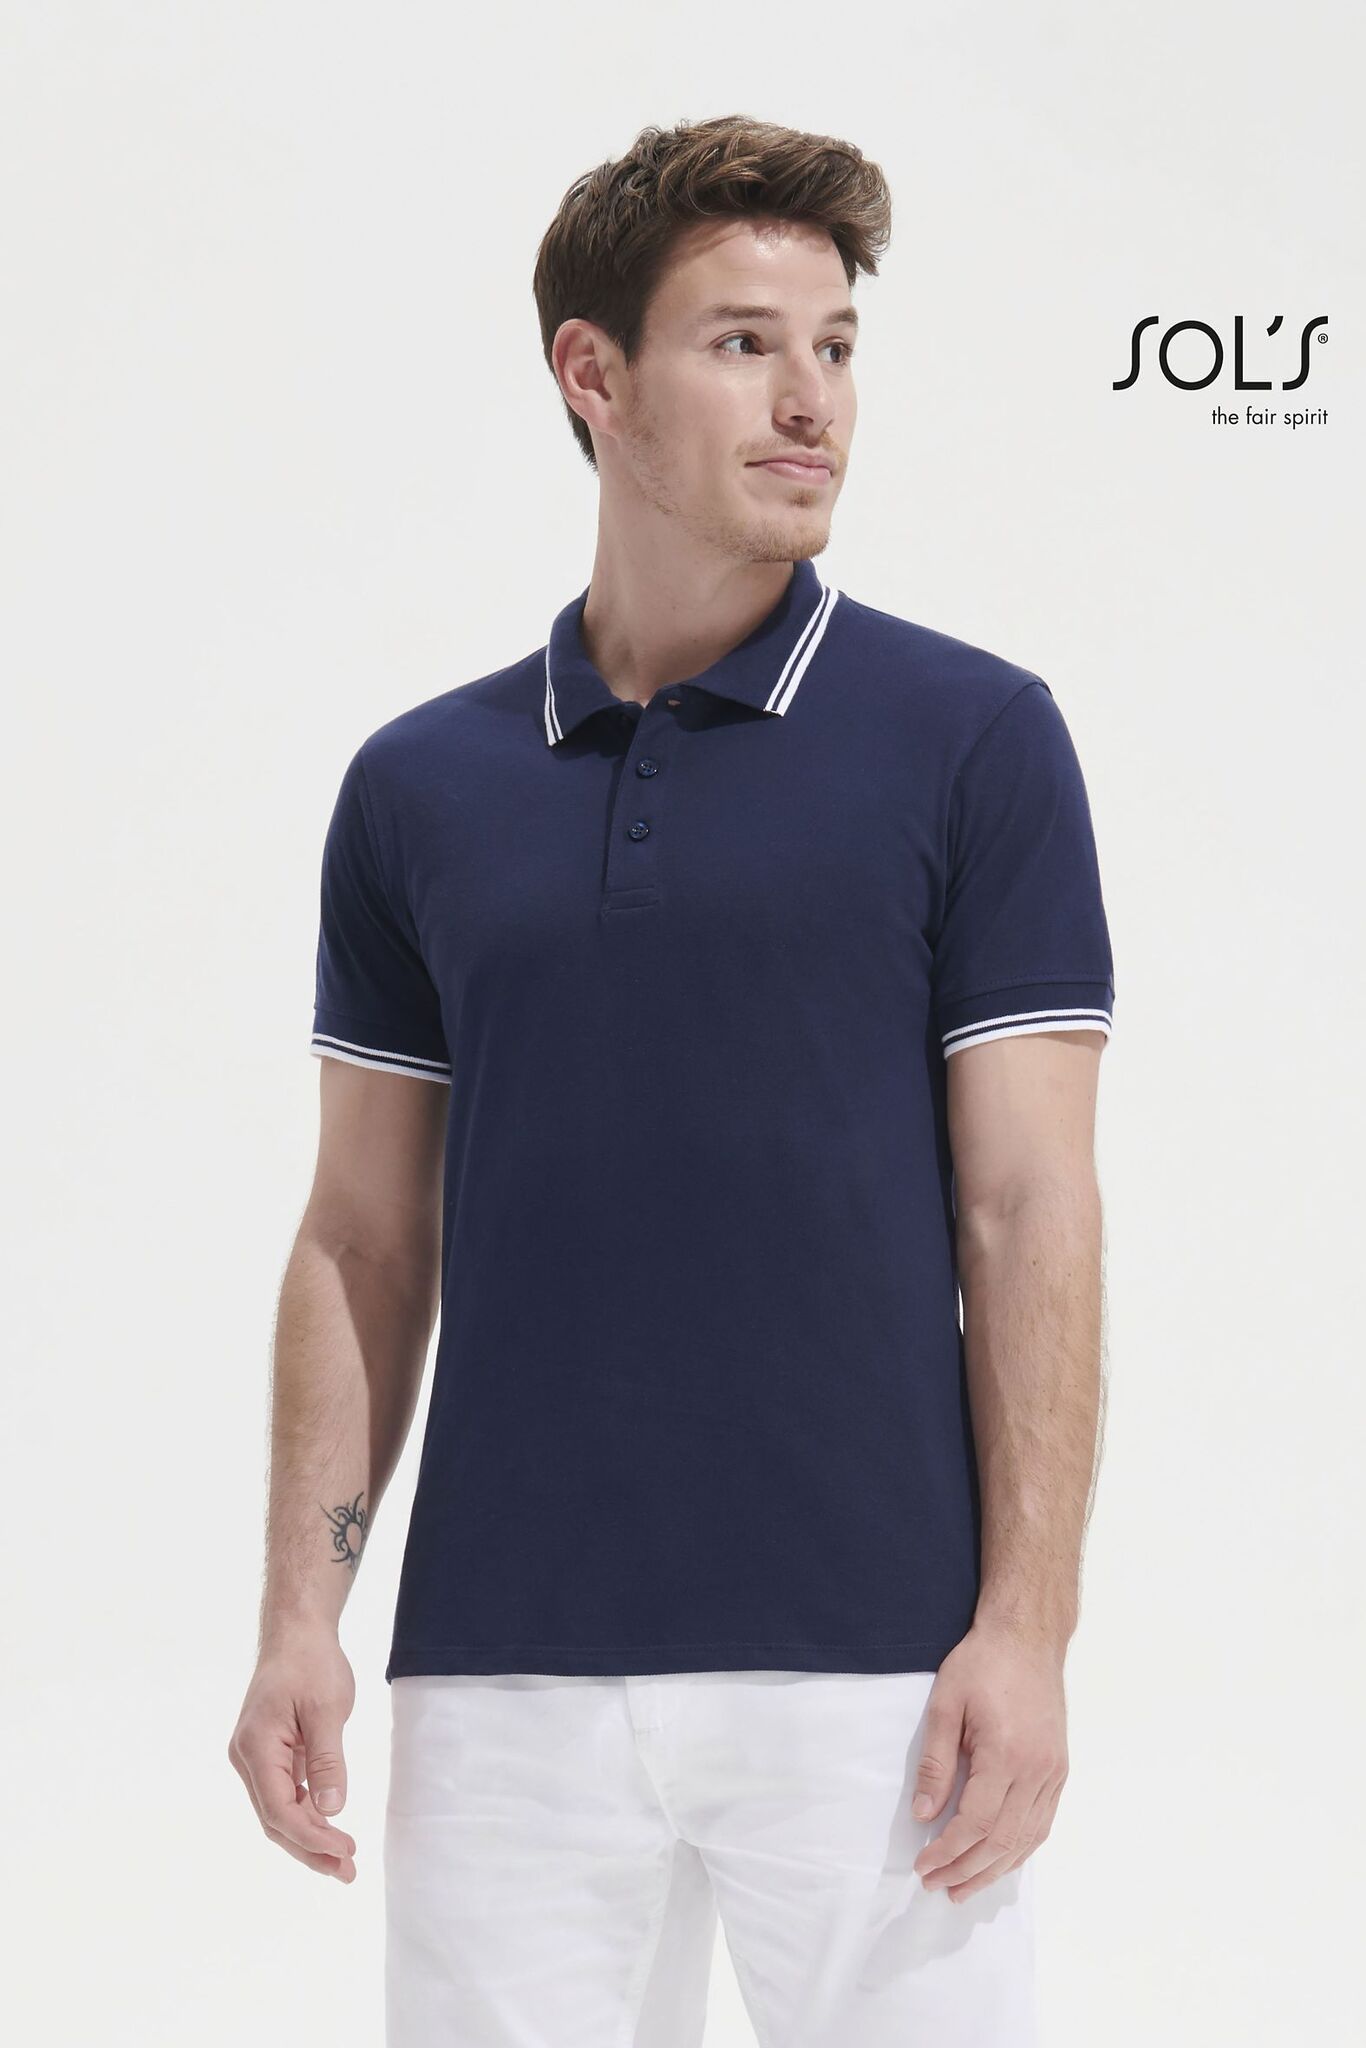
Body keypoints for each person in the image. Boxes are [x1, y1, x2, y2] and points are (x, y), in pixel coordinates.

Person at [229, 111, 1116, 2048]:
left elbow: (1025, 1202)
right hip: (501, 1675)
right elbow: (362, 1234)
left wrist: (1024, 1629)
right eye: (743, 344)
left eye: (837, 347)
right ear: (593, 374)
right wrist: (304, 1613)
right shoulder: (419, 787)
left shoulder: (972, 739)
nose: (812, 402)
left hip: (879, 1676)